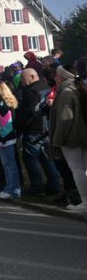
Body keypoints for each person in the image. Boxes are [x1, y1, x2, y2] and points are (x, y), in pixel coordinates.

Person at [17, 68, 62, 196]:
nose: (21, 80)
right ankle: (54, 185)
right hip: (47, 128)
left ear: (32, 76)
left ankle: (37, 187)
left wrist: (19, 127)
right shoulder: (47, 87)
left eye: (23, 78)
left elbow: (28, 112)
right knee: (48, 159)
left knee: (31, 160)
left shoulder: (30, 91)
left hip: (33, 130)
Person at [51, 60, 87, 212]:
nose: (55, 78)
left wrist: (58, 139)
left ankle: (85, 202)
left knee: (77, 169)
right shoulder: (78, 88)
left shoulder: (66, 92)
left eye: (57, 75)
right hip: (82, 134)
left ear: (62, 77)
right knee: (83, 169)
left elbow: (65, 118)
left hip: (71, 137)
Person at [0, 81, 21, 200]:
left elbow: (7, 126)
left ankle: (13, 190)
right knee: (7, 165)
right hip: (2, 139)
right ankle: (9, 188)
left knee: (10, 166)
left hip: (6, 140)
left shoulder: (4, 106)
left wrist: (1, 140)